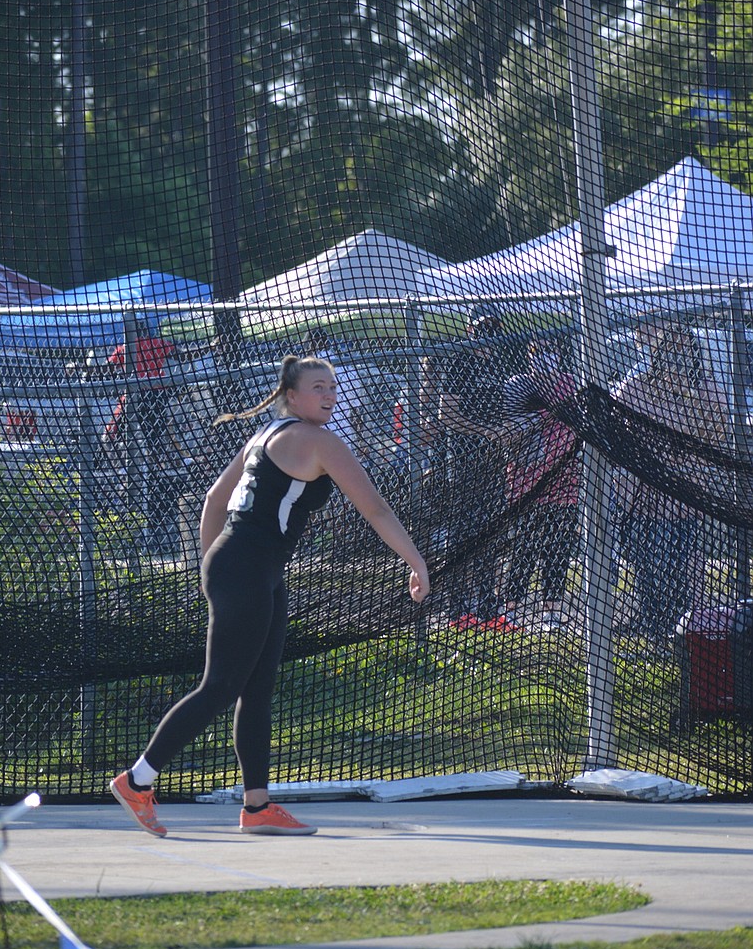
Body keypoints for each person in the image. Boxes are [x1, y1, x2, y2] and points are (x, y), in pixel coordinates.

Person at [110, 353, 430, 838]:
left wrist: (210, 563)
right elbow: (377, 509)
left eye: (332, 387)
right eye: (318, 387)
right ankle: (138, 780)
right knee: (220, 686)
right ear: (292, 395)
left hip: (250, 567)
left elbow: (214, 501)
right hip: (246, 567)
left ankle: (257, 806)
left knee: (256, 691)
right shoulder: (318, 440)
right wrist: (416, 560)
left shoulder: (266, 434)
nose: (329, 395)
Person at [612, 323, 730, 639]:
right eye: (672, 351)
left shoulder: (708, 391)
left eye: (685, 351)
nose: (678, 358)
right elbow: (613, 423)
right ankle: (656, 635)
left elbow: (718, 437)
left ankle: (684, 637)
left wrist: (693, 402)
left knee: (688, 578)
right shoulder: (638, 389)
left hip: (687, 506)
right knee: (653, 576)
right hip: (647, 506)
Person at [498, 341, 580, 632]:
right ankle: (511, 609)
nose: (547, 358)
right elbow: (509, 431)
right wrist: (545, 414)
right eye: (539, 353)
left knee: (557, 550)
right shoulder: (519, 385)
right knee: (524, 548)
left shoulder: (571, 383)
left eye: (552, 351)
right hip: (528, 484)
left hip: (565, 482)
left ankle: (552, 612)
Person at [437, 310, 512, 628]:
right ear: (470, 330)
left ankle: (486, 601)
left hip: (493, 461)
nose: (488, 337)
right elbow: (446, 415)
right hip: (466, 461)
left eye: (494, 329)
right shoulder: (460, 360)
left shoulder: (497, 363)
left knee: (490, 529)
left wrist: (506, 430)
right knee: (462, 533)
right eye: (482, 330)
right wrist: (484, 432)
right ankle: (456, 603)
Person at [106, 318, 180, 456]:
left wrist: (82, 368)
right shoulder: (158, 344)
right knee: (154, 440)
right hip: (156, 395)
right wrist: (209, 347)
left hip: (134, 395)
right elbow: (182, 356)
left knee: (110, 435)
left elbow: (105, 369)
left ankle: (120, 468)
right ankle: (157, 469)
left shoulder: (124, 349)